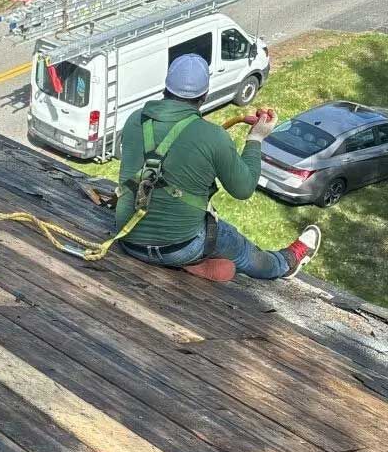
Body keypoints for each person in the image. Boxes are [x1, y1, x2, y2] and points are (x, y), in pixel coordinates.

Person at [116, 53, 321, 281]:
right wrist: (256, 139)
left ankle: (191, 263)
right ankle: (285, 263)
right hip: (179, 247)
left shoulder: (135, 120)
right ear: (204, 95)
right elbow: (243, 189)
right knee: (241, 249)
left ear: (166, 88)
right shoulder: (213, 137)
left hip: (128, 238)